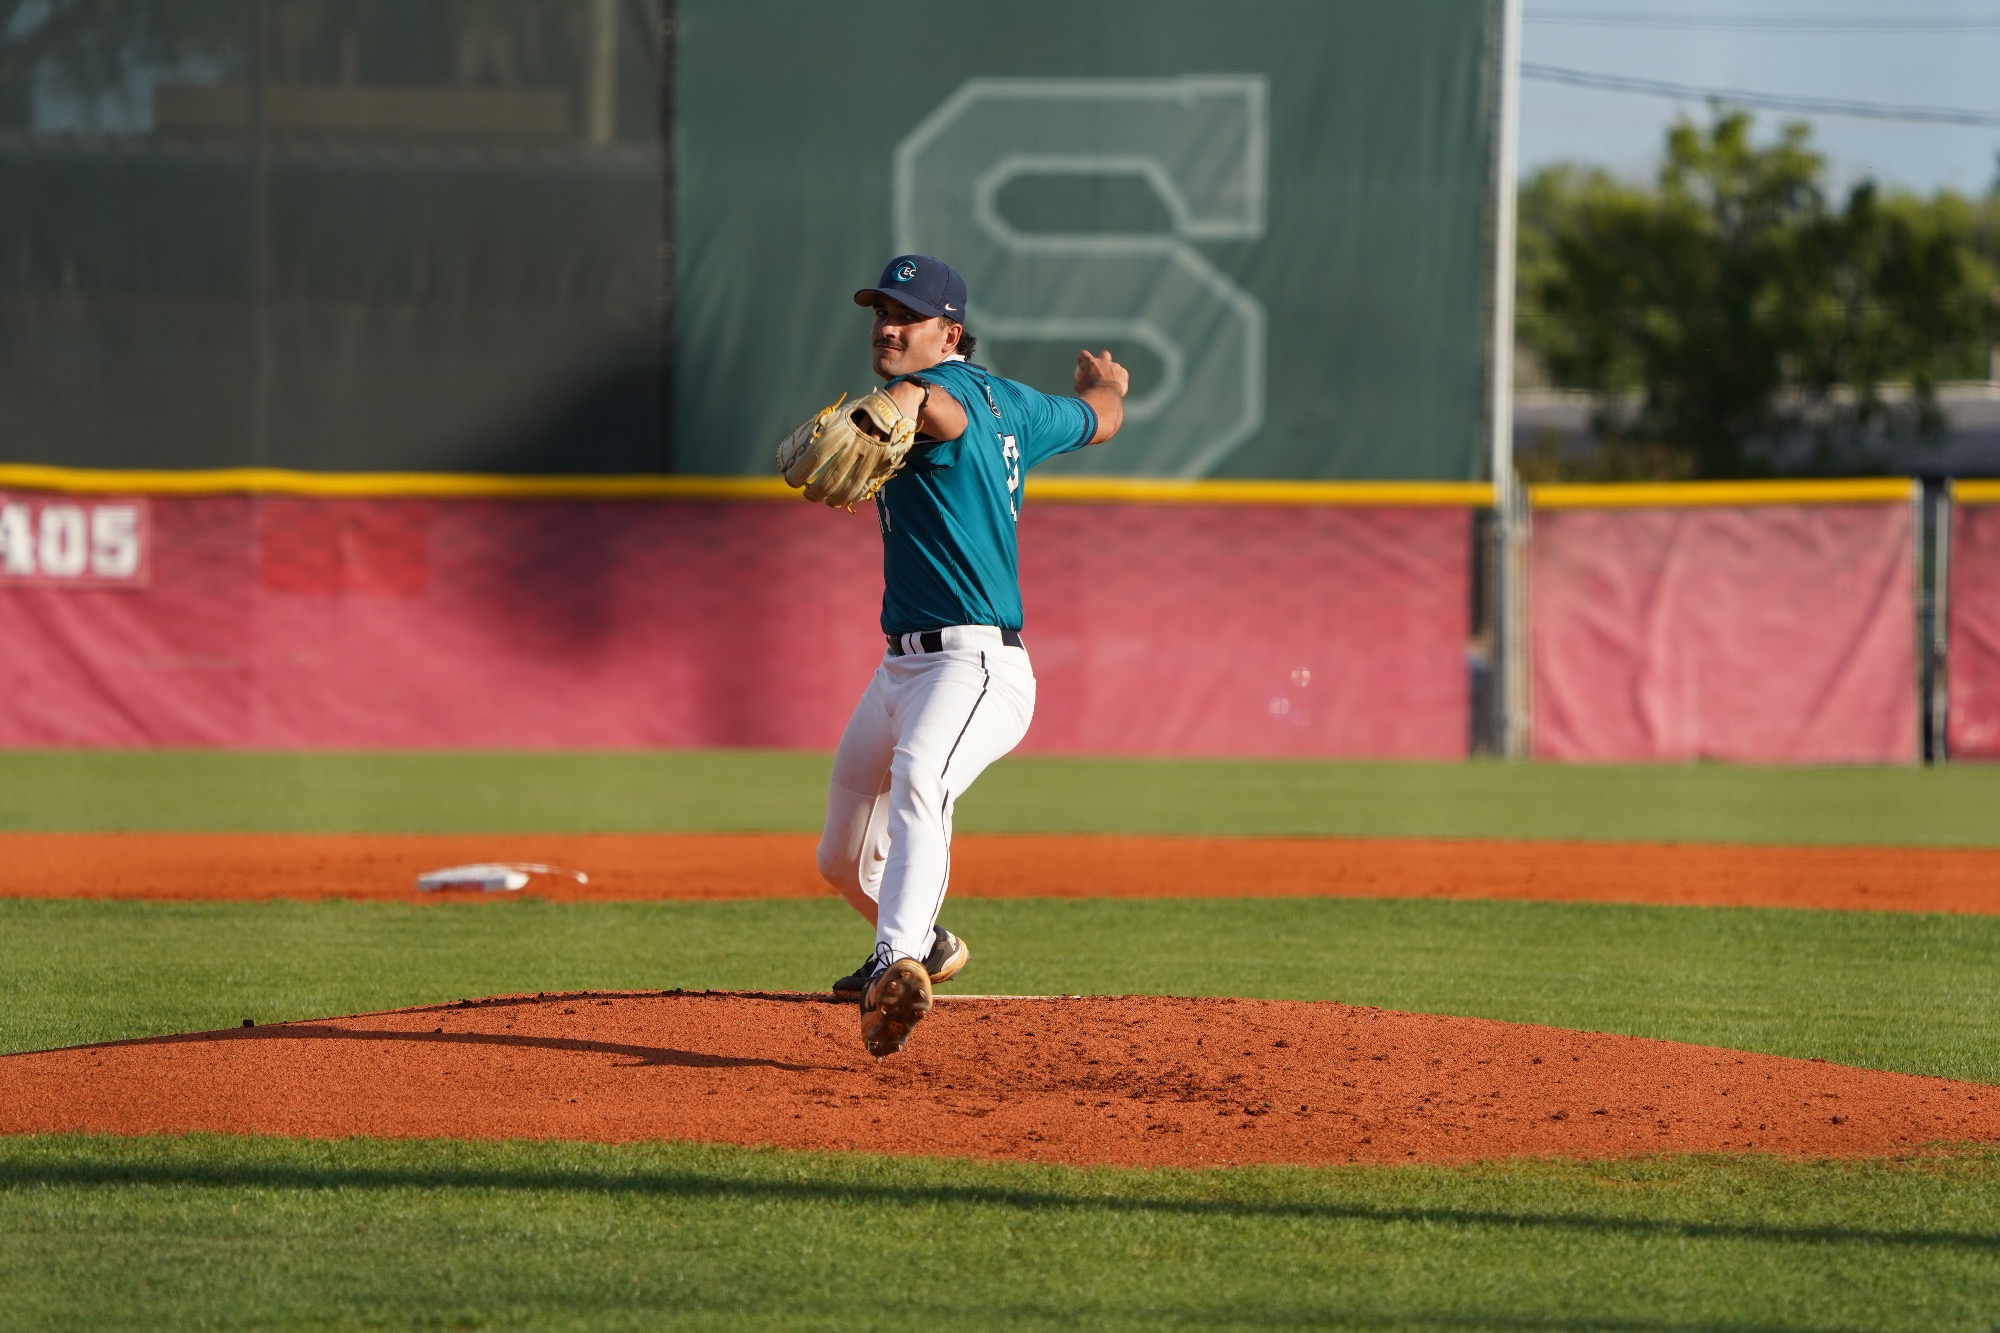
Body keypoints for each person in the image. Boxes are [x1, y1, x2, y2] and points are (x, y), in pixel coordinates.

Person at [812, 253, 1128, 1057]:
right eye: (880, 311)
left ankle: (896, 964)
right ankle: (932, 943)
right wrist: (1110, 386)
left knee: (922, 778)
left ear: (948, 333)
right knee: (841, 856)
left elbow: (940, 412)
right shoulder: (1018, 402)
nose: (886, 326)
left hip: (976, 667)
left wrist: (910, 394)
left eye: (905, 315)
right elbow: (1095, 417)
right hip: (900, 670)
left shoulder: (935, 399)